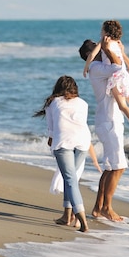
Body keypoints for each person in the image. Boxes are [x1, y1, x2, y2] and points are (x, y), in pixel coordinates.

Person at [79, 36, 128, 222]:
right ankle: (107, 207)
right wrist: (107, 48)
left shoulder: (100, 68)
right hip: (109, 121)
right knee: (119, 166)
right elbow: (117, 67)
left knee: (110, 167)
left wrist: (120, 52)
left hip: (109, 119)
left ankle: (99, 208)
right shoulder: (96, 68)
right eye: (98, 51)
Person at [33, 75, 91, 232]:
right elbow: (81, 124)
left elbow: (51, 129)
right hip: (83, 141)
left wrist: (51, 140)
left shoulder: (53, 103)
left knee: (70, 179)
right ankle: (67, 216)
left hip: (64, 141)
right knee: (71, 178)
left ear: (57, 88)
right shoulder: (83, 103)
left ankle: (83, 222)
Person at [49, 145, 102, 227]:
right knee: (72, 185)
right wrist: (95, 160)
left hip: (69, 155)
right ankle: (71, 216)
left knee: (70, 184)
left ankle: (74, 217)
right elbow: (88, 142)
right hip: (79, 154)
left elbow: (51, 141)